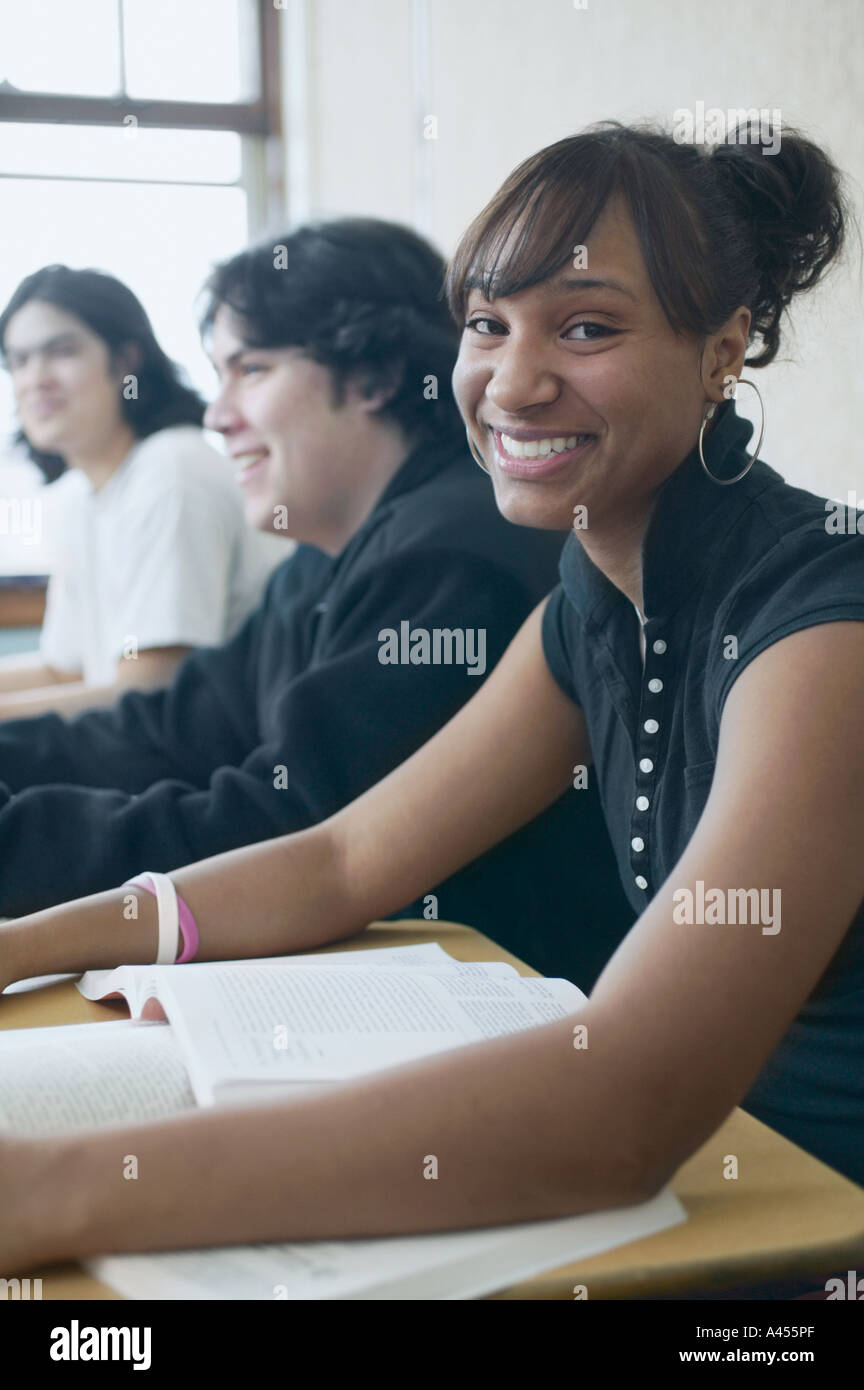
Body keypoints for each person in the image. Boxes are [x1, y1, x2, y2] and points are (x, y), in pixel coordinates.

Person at [2, 119, 861, 1276]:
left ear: (723, 350)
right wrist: (24, 943)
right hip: (723, 1196)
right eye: (488, 326)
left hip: (804, 1220)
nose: (513, 380)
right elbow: (347, 859)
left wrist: (56, 1190)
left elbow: (621, 1106)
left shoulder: (825, 612)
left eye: (588, 327)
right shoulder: (593, 588)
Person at [0, 219, 628, 982]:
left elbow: (287, 832)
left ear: (373, 375)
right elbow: (172, 730)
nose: (216, 413)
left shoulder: (450, 558)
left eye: (251, 370)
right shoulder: (320, 559)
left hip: (500, 1004)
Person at [0, 266, 284, 720]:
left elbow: (150, 688)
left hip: (212, 762)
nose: (35, 378)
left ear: (125, 361)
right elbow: (63, 670)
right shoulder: (79, 496)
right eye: (18, 361)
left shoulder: (172, 468)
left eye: (61, 352)